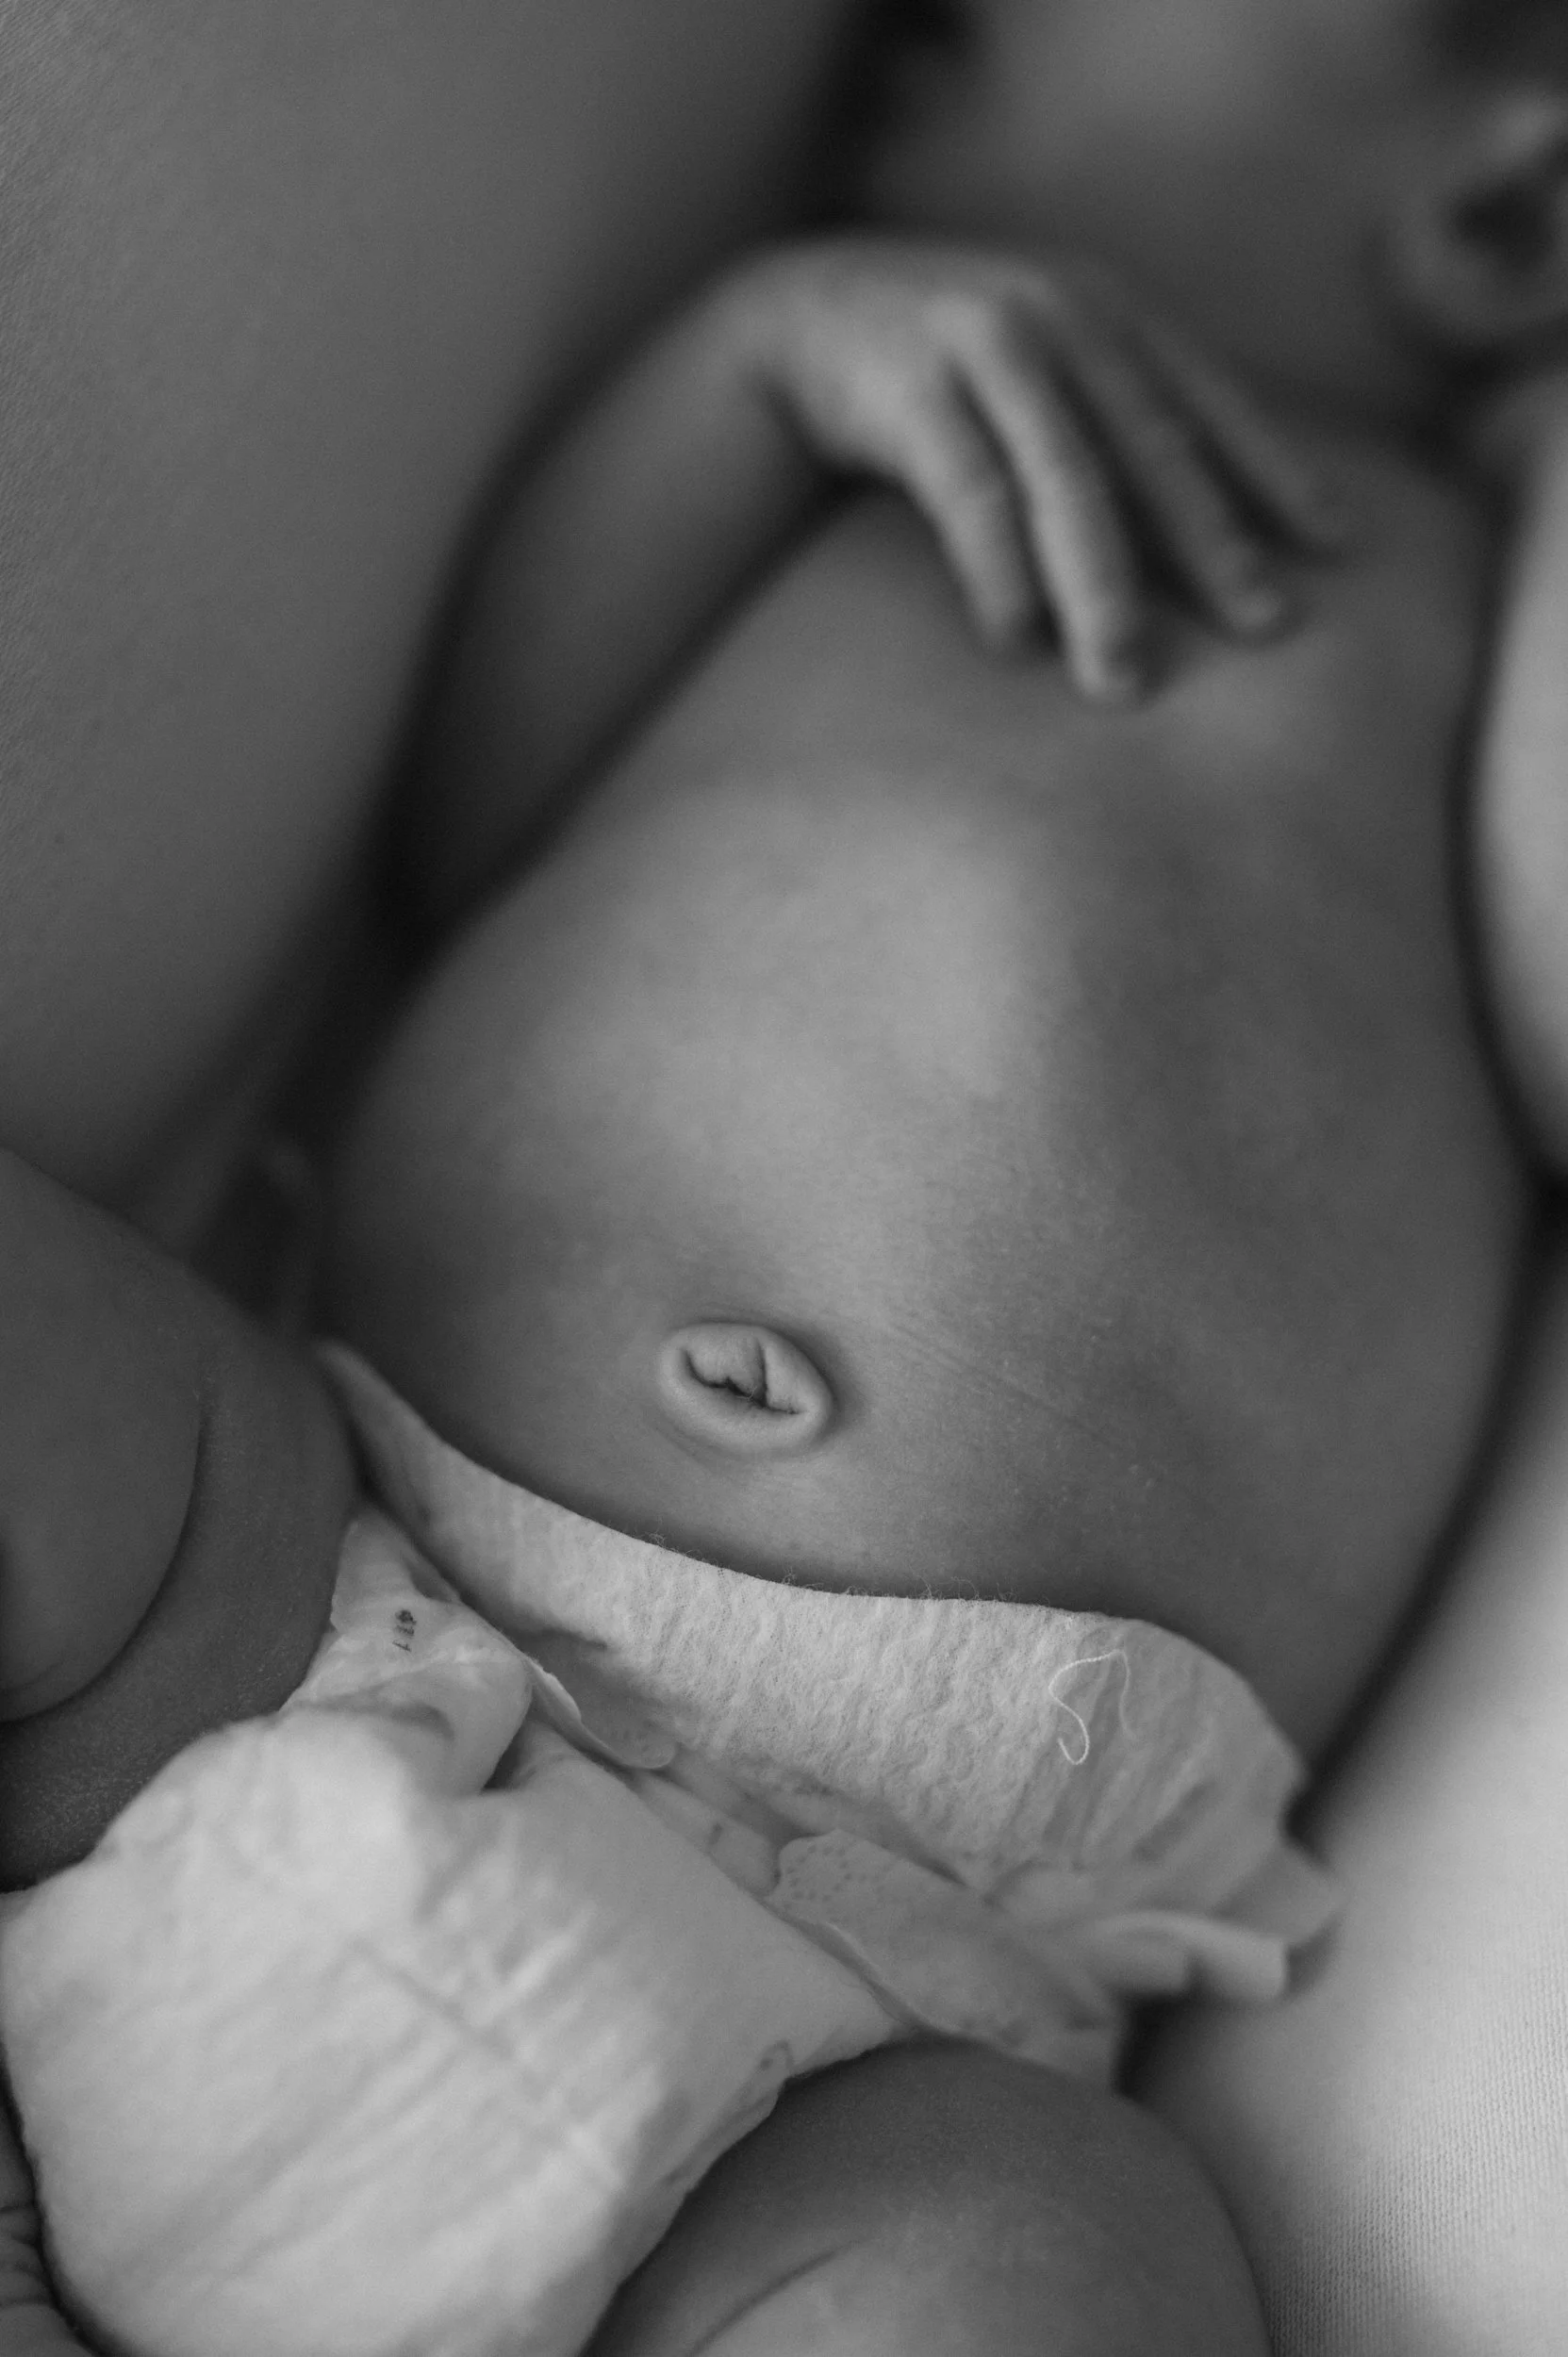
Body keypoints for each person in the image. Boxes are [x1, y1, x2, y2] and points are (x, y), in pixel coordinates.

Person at [7, 3, 1568, 2352]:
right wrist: (767, 353)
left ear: (1500, 207)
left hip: (887, 2027)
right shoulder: (851, 455)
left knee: (1086, 2270)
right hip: (310, 1586)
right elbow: (492, 815)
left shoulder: (1461, 602)